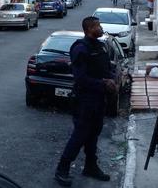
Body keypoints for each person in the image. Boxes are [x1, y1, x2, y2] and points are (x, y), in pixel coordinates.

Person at [54, 17, 117, 187]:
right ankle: (62, 169)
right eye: (97, 26)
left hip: (99, 99)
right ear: (89, 28)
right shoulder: (80, 48)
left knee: (93, 135)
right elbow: (80, 78)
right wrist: (103, 83)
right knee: (79, 135)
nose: (101, 28)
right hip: (84, 100)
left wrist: (111, 79)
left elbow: (106, 70)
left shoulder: (100, 46)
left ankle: (90, 166)